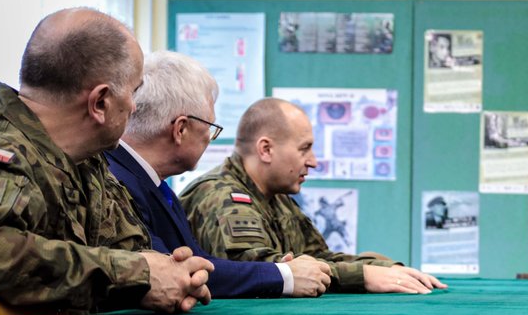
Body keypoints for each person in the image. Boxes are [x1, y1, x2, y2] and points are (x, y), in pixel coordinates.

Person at [0, 8, 212, 315]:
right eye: (134, 91)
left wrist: (175, 273)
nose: (134, 107)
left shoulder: (88, 166)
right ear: (100, 102)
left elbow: (132, 251)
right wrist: (134, 275)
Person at [106, 51, 332, 299]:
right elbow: (172, 271)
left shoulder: (150, 183)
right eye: (210, 128)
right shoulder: (116, 182)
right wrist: (285, 276)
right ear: (181, 129)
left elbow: (199, 262)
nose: (209, 139)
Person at [182, 98, 445, 295]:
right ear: (266, 149)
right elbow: (263, 270)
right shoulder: (223, 197)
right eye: (304, 149)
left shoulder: (276, 198)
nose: (313, 162)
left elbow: (318, 256)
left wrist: (382, 268)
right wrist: (363, 275)